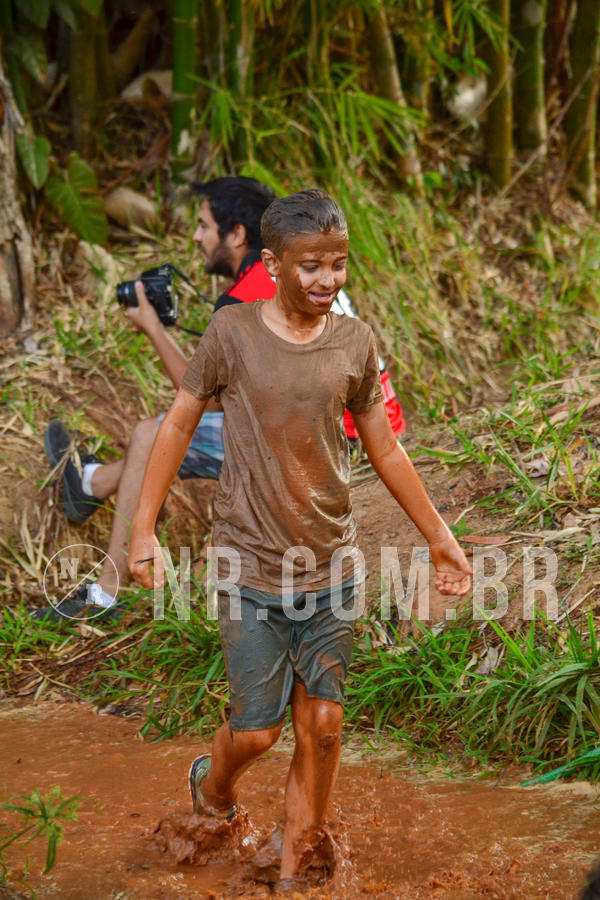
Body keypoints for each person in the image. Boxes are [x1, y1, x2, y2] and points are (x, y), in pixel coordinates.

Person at [127, 190, 472, 882]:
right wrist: (143, 531)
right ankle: (213, 785)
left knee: (323, 727)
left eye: (338, 265)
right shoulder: (232, 335)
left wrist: (439, 538)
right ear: (274, 265)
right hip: (248, 567)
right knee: (258, 730)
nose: (327, 280)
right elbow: (176, 425)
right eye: (311, 265)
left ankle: (297, 866)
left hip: (331, 567)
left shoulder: (354, 343)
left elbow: (386, 449)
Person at [35, 176, 406, 619]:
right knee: (150, 434)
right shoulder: (300, 272)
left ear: (236, 235)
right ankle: (91, 483)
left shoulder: (248, 297)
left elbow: (206, 400)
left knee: (152, 434)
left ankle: (104, 594)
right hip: (358, 432)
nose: (196, 236)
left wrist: (153, 327)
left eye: (204, 224)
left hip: (322, 448)